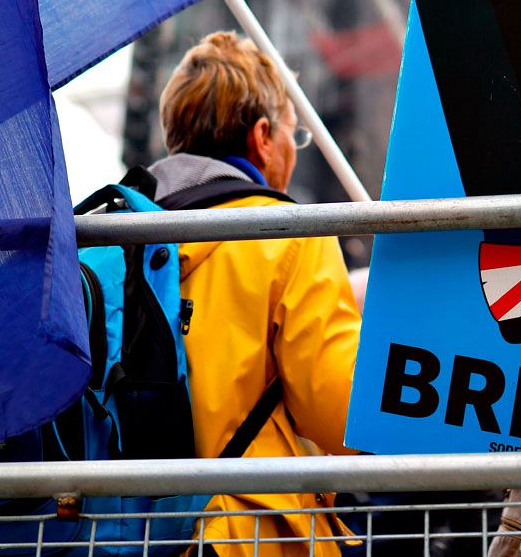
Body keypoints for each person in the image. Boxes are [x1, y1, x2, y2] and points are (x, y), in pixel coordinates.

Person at [149, 31, 362, 557]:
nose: (293, 150)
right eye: (293, 134)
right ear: (263, 136)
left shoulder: (109, 238)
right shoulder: (287, 234)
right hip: (248, 534)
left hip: (120, 533)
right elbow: (340, 415)